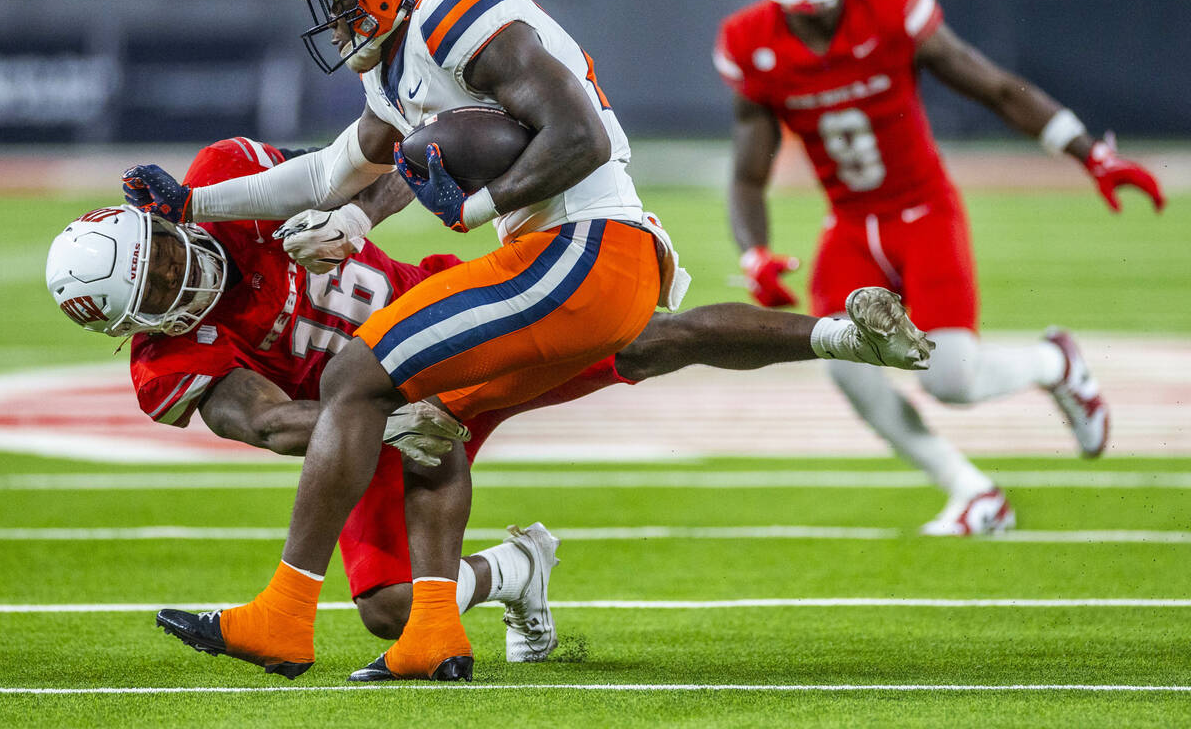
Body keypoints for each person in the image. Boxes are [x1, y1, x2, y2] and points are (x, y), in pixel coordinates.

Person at [114, 0, 931, 682]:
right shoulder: (397, 65)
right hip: (578, 258)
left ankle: (286, 614)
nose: (333, 15)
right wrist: (192, 203)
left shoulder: (449, 5)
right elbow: (329, 173)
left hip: (578, 247)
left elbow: (577, 137)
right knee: (441, 414)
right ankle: (431, 633)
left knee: (354, 378)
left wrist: (466, 207)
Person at [48, 138, 931, 678]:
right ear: (136, 327)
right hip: (374, 426)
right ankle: (514, 574)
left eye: (164, 254)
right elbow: (272, 421)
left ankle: (837, 334)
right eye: (157, 291)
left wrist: (349, 221)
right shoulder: (171, 360)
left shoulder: (225, 184)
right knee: (388, 611)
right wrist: (386, 423)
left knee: (638, 336)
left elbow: (364, 165)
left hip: (441, 322)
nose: (180, 276)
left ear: (158, 224)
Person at [714, 0, 1166, 537]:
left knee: (950, 379)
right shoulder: (749, 40)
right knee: (845, 367)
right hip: (848, 225)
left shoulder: (893, 6)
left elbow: (996, 88)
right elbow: (748, 171)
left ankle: (1056, 363)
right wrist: (752, 251)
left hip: (922, 212)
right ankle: (973, 492)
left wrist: (1089, 153)